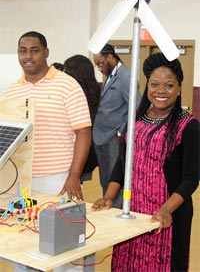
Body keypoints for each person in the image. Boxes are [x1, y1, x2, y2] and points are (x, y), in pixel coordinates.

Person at [92, 52, 200, 272]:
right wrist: (109, 197)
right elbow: (122, 165)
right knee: (128, 263)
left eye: (169, 85)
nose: (161, 91)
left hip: (168, 215)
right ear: (147, 86)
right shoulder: (135, 121)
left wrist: (166, 210)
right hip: (133, 212)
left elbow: (191, 179)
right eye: (154, 84)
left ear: (179, 88)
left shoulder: (188, 126)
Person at [4, 31, 91, 200]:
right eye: (23, 51)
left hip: (57, 178)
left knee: (56, 226)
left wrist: (74, 174)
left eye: (34, 50)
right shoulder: (11, 91)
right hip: (19, 177)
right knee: (21, 226)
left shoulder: (68, 85)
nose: (28, 56)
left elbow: (83, 132)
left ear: (46, 52)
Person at [93, 43, 141, 207]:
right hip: (101, 136)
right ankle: (107, 207)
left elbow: (136, 107)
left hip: (114, 137)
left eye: (101, 63)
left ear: (111, 57)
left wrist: (122, 132)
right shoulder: (111, 75)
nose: (99, 68)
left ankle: (115, 212)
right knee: (105, 179)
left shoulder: (125, 76)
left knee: (115, 181)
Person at [63, 54, 101, 182]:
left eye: (66, 70)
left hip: (75, 157)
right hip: (91, 154)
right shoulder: (95, 95)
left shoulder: (74, 98)